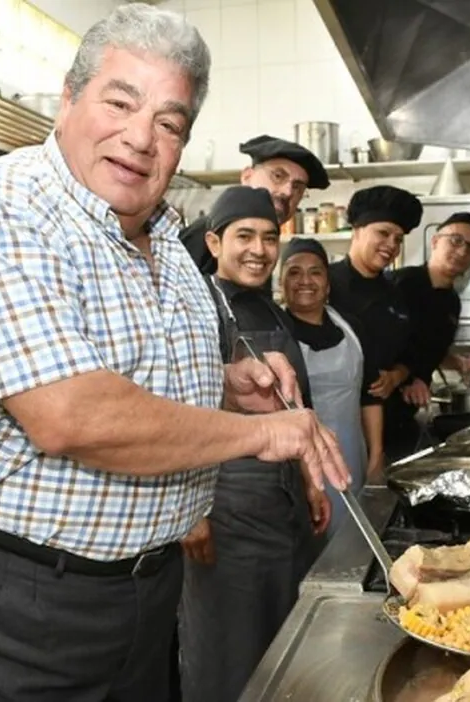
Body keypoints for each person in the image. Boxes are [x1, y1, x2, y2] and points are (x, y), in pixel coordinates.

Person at [0, 6, 349, 702]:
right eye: (120, 102)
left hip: (143, 589)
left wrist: (226, 387)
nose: (140, 138)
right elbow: (71, 414)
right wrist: (264, 430)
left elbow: (133, 370)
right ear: (69, 99)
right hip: (13, 595)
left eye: (169, 122)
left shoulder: (163, 238)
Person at [179, 186, 332, 702]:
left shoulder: (272, 309)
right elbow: (177, 412)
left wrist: (312, 480)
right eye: (244, 236)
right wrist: (190, 511)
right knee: (227, 648)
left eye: (270, 238)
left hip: (282, 501)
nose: (259, 250)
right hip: (224, 502)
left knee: (280, 637)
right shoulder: (195, 307)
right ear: (215, 241)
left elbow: (299, 404)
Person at [326, 185, 423, 475]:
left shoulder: (397, 292)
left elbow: (410, 351)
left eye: (399, 239)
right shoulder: (325, 285)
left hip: (392, 427)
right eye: (383, 233)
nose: (391, 244)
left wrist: (397, 375)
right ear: (356, 230)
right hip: (338, 427)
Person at [279, 236, 371, 534]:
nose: (305, 280)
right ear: (281, 284)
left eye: (315, 272)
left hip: (353, 457)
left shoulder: (352, 326)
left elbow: (370, 394)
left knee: (351, 544)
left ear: (328, 284)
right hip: (299, 467)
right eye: (294, 272)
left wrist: (378, 454)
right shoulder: (274, 333)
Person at [386, 211, 470, 457]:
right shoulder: (400, 284)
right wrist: (410, 378)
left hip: (408, 412)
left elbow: (429, 347)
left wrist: (458, 362)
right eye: (456, 240)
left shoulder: (452, 302)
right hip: (378, 407)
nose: (463, 251)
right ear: (434, 242)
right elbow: (379, 343)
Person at [179, 134, 330, 274]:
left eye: (297, 186)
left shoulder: (264, 252)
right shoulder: (207, 232)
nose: (288, 191)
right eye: (278, 176)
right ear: (247, 177)